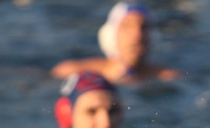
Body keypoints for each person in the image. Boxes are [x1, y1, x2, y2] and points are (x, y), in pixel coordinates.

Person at [51, 3, 180, 84]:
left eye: (143, 27)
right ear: (112, 35)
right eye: (127, 26)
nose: (137, 34)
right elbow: (58, 73)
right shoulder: (81, 71)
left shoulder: (166, 76)